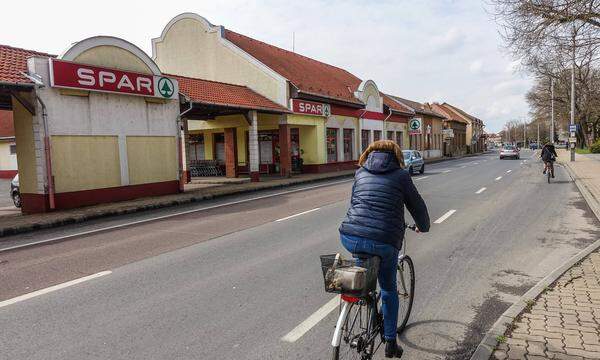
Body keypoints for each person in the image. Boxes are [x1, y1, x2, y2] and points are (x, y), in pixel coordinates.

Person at [339, 140, 430, 358]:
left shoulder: (360, 172)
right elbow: (416, 204)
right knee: (388, 288)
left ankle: (365, 302)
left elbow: (356, 202)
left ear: (369, 153)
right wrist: (423, 226)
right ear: (396, 155)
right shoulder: (401, 175)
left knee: (364, 282)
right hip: (384, 239)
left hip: (351, 235)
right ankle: (390, 342)